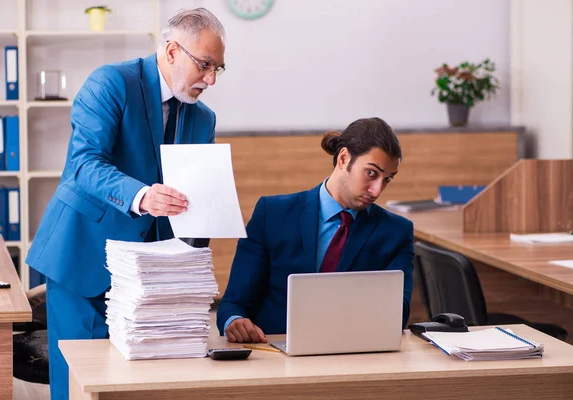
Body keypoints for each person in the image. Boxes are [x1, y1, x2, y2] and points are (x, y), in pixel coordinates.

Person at [26, 8, 226, 399]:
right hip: (83, 256)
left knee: (137, 384)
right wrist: (142, 195)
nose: (212, 79)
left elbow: (196, 194)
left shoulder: (204, 119)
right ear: (172, 52)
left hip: (148, 272)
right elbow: (84, 164)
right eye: (205, 65)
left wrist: (194, 261)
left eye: (219, 68)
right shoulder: (111, 83)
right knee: (78, 383)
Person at [217, 117, 414, 343]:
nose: (377, 190)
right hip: (275, 356)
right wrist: (234, 321)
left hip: (354, 355)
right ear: (343, 158)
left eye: (387, 179)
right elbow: (233, 303)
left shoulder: (396, 232)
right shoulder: (272, 214)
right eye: (371, 173)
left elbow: (397, 316)